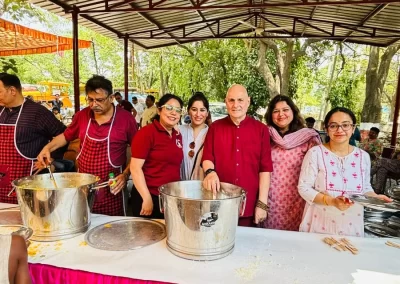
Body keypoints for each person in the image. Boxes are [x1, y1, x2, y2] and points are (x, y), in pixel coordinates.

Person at [37, 75, 137, 216]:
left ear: (111, 97)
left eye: (99, 100)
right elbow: (66, 136)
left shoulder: (126, 119)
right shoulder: (82, 115)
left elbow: (138, 152)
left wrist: (125, 175)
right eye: (90, 99)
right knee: (83, 221)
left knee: (112, 229)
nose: (94, 104)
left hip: (112, 186)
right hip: (84, 184)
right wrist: (48, 148)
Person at [298, 107, 391, 237]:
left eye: (345, 125)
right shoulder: (315, 153)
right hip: (319, 222)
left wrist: (374, 197)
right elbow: (304, 187)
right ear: (326, 129)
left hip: (351, 224)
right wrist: (332, 201)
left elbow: (364, 187)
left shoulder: (363, 156)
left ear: (353, 129)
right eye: (333, 125)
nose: (339, 130)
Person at [201, 84, 273, 227]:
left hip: (249, 204)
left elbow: (265, 169)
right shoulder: (215, 128)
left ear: (248, 101)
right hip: (219, 202)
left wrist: (262, 204)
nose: (236, 105)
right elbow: (207, 158)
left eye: (240, 100)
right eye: (231, 100)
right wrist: (210, 172)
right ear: (225, 102)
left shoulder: (261, 130)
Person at [0, 73, 66, 204]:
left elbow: (63, 134)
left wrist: (51, 159)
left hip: (27, 180)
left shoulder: (37, 112)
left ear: (12, 90)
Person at [262, 96, 321, 231]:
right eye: (276, 111)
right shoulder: (265, 135)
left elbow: (317, 169)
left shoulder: (308, 138)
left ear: (293, 112)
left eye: (285, 110)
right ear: (270, 115)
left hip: (297, 200)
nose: (281, 114)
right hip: (269, 199)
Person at [130, 93, 184, 219]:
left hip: (169, 198)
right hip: (148, 196)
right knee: (148, 236)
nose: (173, 113)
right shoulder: (146, 133)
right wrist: (146, 197)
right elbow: (135, 168)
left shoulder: (177, 135)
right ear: (159, 110)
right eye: (169, 108)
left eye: (177, 110)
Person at [179, 92, 209, 180]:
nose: (198, 114)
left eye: (202, 110)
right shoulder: (179, 131)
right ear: (188, 111)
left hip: (202, 188)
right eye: (194, 109)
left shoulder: (212, 134)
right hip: (180, 187)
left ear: (207, 113)